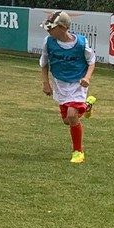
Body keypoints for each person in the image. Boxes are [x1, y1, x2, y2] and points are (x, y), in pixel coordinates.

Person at [39, 11, 96, 164]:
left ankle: (78, 151)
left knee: (71, 115)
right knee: (67, 120)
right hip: (60, 84)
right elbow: (44, 63)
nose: (48, 31)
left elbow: (91, 61)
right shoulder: (48, 42)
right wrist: (45, 83)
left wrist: (87, 78)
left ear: (63, 28)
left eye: (51, 28)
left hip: (78, 84)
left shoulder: (81, 43)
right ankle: (87, 106)